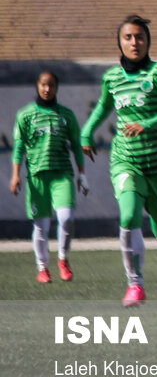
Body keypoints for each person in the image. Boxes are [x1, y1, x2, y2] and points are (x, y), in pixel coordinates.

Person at [81, 15, 157, 307]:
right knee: (128, 216)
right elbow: (104, 106)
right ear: (120, 41)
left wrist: (148, 124)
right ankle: (135, 284)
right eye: (128, 37)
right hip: (126, 159)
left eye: (139, 37)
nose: (134, 42)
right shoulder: (112, 78)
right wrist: (87, 131)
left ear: (147, 41)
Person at [10, 70, 89, 283]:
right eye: (43, 84)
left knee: (66, 219)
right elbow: (18, 147)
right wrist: (15, 175)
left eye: (51, 85)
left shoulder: (66, 115)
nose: (47, 89)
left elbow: (76, 145)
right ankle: (42, 267)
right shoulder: (25, 115)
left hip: (62, 174)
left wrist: (82, 175)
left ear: (57, 88)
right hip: (37, 177)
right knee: (41, 226)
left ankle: (63, 259)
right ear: (37, 86)